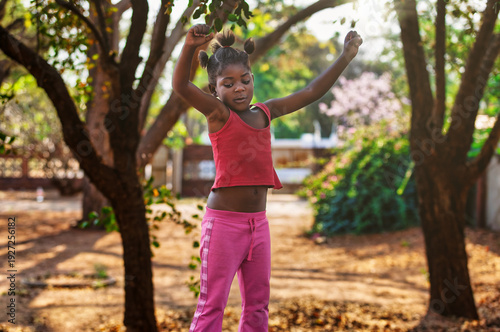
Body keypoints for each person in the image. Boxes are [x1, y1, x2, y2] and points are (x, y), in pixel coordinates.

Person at [172, 23, 362, 332]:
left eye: (244, 80)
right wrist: (191, 47)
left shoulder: (265, 112)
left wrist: (345, 57)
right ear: (214, 90)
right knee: (212, 304)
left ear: (253, 79)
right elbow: (181, 86)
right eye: (228, 83)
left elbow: (310, 92)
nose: (239, 88)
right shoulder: (218, 114)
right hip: (223, 225)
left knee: (258, 304)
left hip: (258, 225)